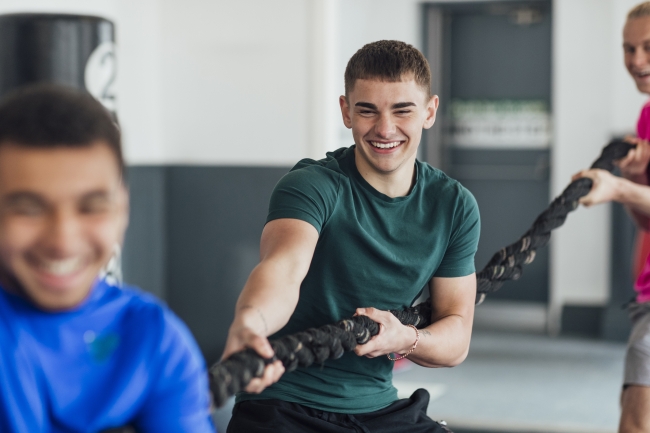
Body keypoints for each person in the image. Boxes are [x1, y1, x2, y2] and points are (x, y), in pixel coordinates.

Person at [222, 40, 480, 433]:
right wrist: (249, 324)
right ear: (346, 111)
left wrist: (404, 339)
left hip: (378, 408)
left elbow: (456, 336)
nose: (385, 129)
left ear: (429, 112)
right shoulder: (311, 186)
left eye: (402, 110)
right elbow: (282, 269)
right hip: (284, 402)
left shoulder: (454, 206)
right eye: (367, 110)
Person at [0, 84, 241, 432]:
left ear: (122, 209)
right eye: (28, 209)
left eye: (91, 207)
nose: (62, 241)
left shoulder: (152, 339)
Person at [573, 3, 650, 432]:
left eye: (647, 47)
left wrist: (620, 187)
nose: (636, 60)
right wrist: (635, 182)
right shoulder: (646, 118)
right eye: (628, 48)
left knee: (635, 422)